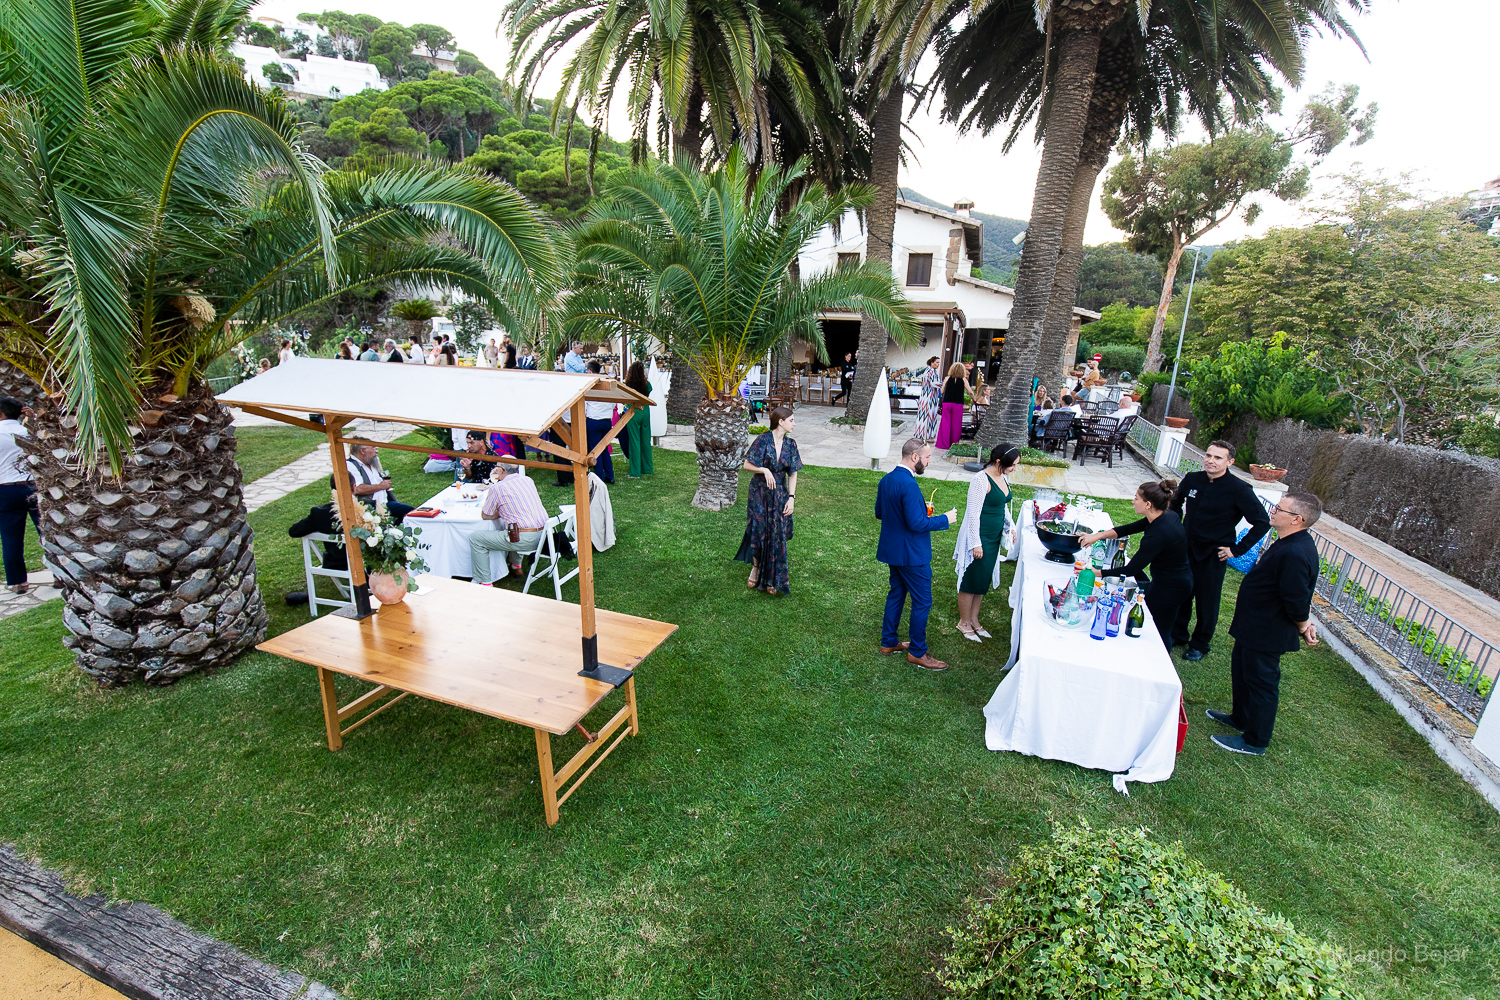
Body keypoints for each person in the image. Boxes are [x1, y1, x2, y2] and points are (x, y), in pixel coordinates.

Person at [1206, 492, 1323, 755]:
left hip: (1268, 630)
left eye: (1279, 509)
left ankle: (1255, 741)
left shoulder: (1295, 552)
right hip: (1253, 624)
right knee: (1242, 672)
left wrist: (1304, 626)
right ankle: (1240, 718)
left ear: (1297, 519)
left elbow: (1296, 599)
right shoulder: (1288, 541)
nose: (1273, 511)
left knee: (1261, 683)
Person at [1170, 441, 1272, 660]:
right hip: (1186, 548)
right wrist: (1177, 528)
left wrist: (1237, 550)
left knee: (1207, 601)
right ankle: (1178, 634)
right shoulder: (1192, 479)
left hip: (1214, 554)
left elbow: (1262, 522)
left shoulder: (1239, 489)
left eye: (1218, 457)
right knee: (1182, 592)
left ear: (1230, 462)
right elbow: (1175, 503)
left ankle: (1200, 644)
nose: (1210, 461)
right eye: (1208, 455)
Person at [1078, 479, 1193, 651]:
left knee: (1159, 631)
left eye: (1136, 498)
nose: (1133, 501)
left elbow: (1131, 569)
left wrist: (1097, 572)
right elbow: (1127, 529)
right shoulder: (1165, 515)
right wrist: (1097, 536)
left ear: (1148, 504)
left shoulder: (1158, 534)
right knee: (1153, 624)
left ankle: (1160, 659)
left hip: (1172, 586)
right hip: (1173, 580)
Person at [876, 439, 958, 671]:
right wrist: (944, 519)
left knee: (896, 594)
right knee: (922, 601)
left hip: (893, 551)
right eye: (927, 457)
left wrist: (918, 512)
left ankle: (888, 642)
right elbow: (916, 524)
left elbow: (880, 512)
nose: (929, 461)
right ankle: (917, 652)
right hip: (912, 555)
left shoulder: (887, 479)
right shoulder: (909, 485)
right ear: (915, 457)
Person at [952, 444, 1018, 641]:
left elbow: (1003, 507)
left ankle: (974, 619)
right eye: (1013, 465)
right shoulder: (980, 480)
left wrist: (1011, 527)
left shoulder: (1003, 477)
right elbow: (973, 514)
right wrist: (975, 543)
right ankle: (963, 622)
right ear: (998, 462)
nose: (1014, 468)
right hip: (980, 537)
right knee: (971, 578)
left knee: (982, 579)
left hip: (994, 537)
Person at [735, 406, 802, 595]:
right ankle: (756, 568)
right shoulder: (763, 440)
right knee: (758, 531)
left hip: (780, 494)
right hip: (759, 493)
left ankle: (772, 577)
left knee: (777, 533)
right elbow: (746, 464)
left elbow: (793, 473)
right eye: (791, 420)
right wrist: (764, 470)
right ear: (780, 421)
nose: (794, 424)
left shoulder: (791, 445)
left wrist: (791, 498)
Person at [468, 460, 550, 584]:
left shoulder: (497, 487)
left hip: (526, 540)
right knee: (515, 524)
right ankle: (516, 566)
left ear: (501, 470)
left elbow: (486, 515)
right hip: (544, 535)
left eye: (496, 467)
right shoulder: (528, 480)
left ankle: (484, 582)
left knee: (476, 539)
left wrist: (500, 512)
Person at [0, 397, 41, 595]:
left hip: (5, 489)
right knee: (48, 534)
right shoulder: (30, 431)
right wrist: (34, 419)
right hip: (35, 485)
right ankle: (60, 576)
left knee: (10, 538)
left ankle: (18, 582)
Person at [345, 444, 413, 521]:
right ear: (362, 451)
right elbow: (357, 489)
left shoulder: (371, 462)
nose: (377, 451)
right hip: (369, 507)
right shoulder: (350, 465)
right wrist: (381, 486)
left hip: (385, 503)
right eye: (374, 448)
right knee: (410, 512)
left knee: (412, 513)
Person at [583, 360, 616, 484]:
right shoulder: (607, 382)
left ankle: (599, 477)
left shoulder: (590, 384)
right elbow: (613, 402)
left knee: (595, 451)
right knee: (604, 448)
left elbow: (585, 404)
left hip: (593, 420)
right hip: (606, 420)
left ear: (590, 371)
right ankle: (610, 475)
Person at [622, 360, 654, 477]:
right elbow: (649, 391)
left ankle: (635, 472)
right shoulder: (647, 384)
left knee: (634, 441)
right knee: (645, 440)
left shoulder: (628, 385)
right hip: (645, 411)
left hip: (633, 411)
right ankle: (647, 468)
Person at [935, 363, 968, 449]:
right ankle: (954, 443)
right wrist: (974, 399)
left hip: (947, 403)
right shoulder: (964, 380)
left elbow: (942, 391)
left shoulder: (947, 378)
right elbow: (970, 392)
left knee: (945, 423)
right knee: (956, 424)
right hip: (958, 404)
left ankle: (944, 444)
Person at [914, 356, 942, 442]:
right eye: (936, 362)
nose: (938, 364)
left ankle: (927, 435)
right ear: (932, 363)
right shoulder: (929, 372)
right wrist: (943, 384)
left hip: (931, 397)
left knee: (930, 416)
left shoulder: (932, 371)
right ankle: (924, 435)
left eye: (938, 363)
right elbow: (933, 383)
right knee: (927, 416)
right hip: (928, 397)